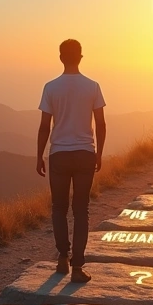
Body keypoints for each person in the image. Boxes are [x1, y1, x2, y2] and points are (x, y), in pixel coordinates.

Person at [37, 39, 106, 283]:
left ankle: (62, 259)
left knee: (58, 208)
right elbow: (101, 123)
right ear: (81, 56)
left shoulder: (51, 87)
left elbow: (45, 126)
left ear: (60, 57)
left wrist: (39, 156)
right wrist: (99, 153)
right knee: (81, 211)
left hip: (59, 154)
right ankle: (78, 268)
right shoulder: (93, 86)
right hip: (85, 153)